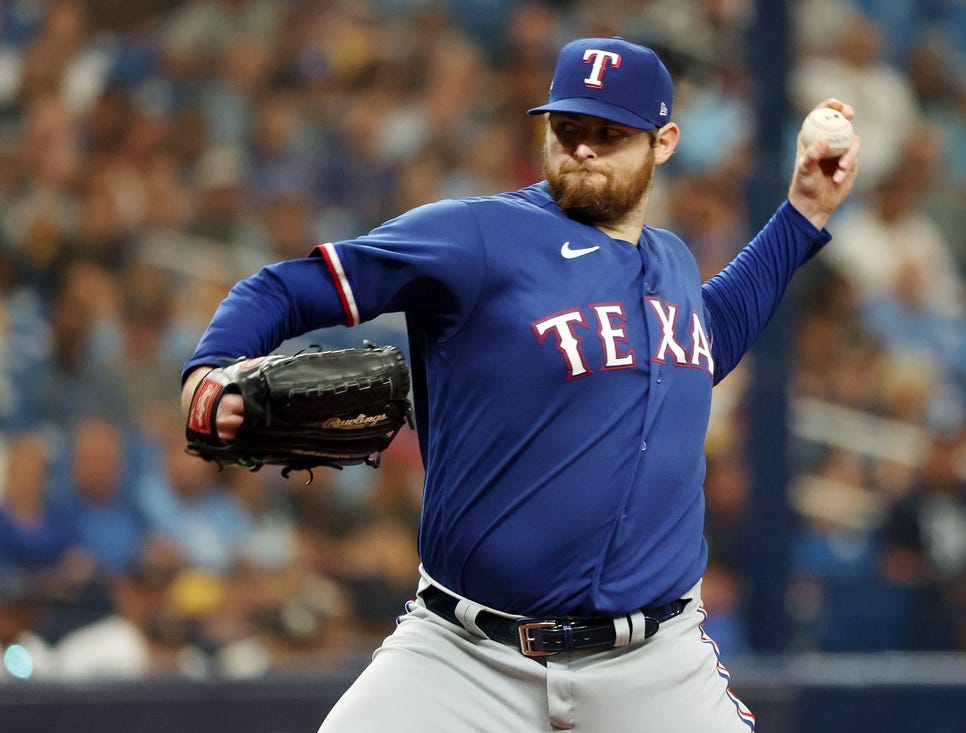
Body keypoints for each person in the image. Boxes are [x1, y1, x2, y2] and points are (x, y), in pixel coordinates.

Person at [180, 36, 859, 733]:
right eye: (569, 129)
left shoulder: (674, 262)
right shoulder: (476, 236)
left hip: (654, 666)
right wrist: (211, 369)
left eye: (610, 133)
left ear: (664, 142)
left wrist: (803, 212)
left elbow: (705, 340)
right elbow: (288, 287)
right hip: (466, 657)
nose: (584, 149)